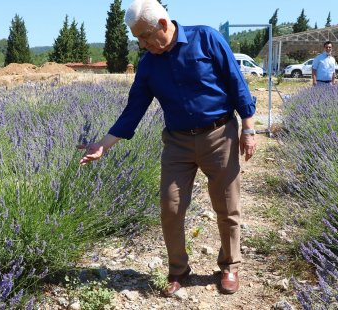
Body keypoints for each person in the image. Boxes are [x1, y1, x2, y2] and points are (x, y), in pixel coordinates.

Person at [77, 0, 256, 297]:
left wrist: (248, 128)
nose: (143, 44)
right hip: (177, 142)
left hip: (220, 135)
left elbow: (237, 84)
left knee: (227, 206)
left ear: (162, 24)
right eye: (138, 39)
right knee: (170, 208)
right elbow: (133, 109)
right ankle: (178, 270)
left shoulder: (207, 38)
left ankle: (229, 266)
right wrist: (103, 145)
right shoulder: (148, 64)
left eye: (145, 36)